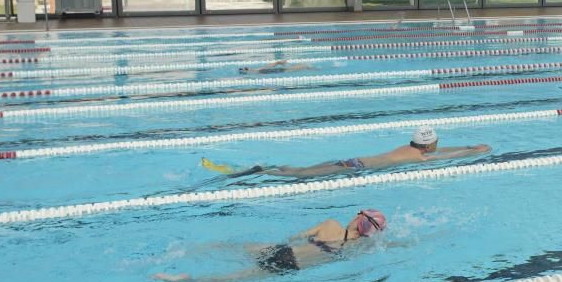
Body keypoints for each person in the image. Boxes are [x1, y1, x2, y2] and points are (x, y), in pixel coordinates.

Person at [153, 209, 387, 282]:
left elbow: (294, 237)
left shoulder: (330, 224)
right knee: (228, 279)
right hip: (290, 267)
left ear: (358, 218)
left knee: (229, 247)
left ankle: (188, 250)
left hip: (283, 250)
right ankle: (187, 279)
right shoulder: (356, 250)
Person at [201, 126, 490, 178]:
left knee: (299, 171)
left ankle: (261, 169)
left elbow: (443, 151)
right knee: (300, 177)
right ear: (429, 145)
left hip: (350, 161)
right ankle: (256, 173)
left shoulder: (408, 149)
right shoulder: (420, 157)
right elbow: (447, 156)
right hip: (352, 168)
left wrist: (469, 145)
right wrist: (473, 151)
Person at [238, 60, 315, 75]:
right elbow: (271, 65)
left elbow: (270, 65)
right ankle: (308, 67)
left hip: (280, 70)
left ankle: (308, 67)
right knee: (299, 67)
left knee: (297, 67)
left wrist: (278, 62)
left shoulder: (259, 70)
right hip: (280, 70)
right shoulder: (258, 71)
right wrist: (278, 62)